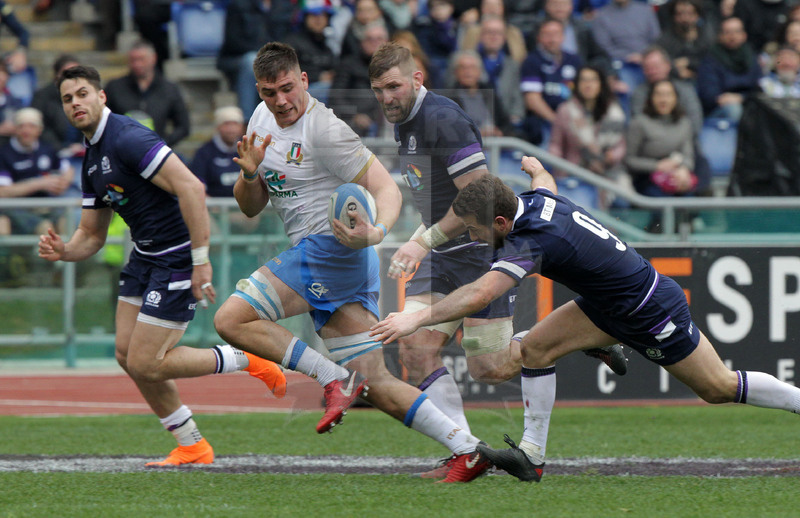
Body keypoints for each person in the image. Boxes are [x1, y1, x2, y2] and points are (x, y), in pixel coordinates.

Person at [371, 160, 800, 483]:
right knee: (536, 348)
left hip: (649, 308)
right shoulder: (536, 201)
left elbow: (481, 293)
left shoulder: (529, 241)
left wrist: (416, 319)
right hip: (605, 303)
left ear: (501, 221)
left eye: (474, 229)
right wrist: (537, 167)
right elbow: (545, 184)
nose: (472, 236)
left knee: (717, 388)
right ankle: (531, 457)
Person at [211, 42, 492, 483]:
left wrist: (376, 232)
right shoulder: (261, 120)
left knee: (231, 318)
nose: (281, 101)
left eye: (288, 88)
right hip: (335, 262)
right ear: (259, 91)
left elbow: (388, 189)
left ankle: (331, 378)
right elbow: (250, 207)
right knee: (376, 382)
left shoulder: (325, 130)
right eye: (269, 92)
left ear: (303, 80)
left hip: (330, 250)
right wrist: (250, 174)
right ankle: (469, 449)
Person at [367, 42, 626, 479]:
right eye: (377, 90)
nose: (386, 97)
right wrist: (422, 239)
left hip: (476, 252)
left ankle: (577, 336)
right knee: (416, 348)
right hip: (441, 253)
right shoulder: (405, 121)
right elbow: (436, 198)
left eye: (393, 86)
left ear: (417, 79)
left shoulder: (443, 120)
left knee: (490, 367)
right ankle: (466, 453)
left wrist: (420, 241)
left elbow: (479, 199)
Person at [38, 65, 287, 467]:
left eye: (83, 93)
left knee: (146, 362)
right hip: (145, 258)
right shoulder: (92, 158)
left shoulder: (128, 137)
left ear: (101, 97)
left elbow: (192, 186)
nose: (75, 103)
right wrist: (63, 250)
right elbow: (92, 235)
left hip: (176, 257)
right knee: (126, 354)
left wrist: (200, 261)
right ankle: (192, 444)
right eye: (68, 98)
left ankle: (247, 359)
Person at [548, 65, 627, 209]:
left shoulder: (614, 111)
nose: (588, 85)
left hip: (608, 171)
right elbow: (556, 144)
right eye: (583, 80)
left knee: (623, 202)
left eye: (593, 80)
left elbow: (620, 144)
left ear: (601, 84)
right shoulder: (565, 110)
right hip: (575, 172)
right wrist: (559, 169)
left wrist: (613, 155)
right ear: (577, 84)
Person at [625, 79, 696, 233]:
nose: (664, 99)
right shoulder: (639, 123)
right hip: (647, 179)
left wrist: (683, 169)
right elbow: (629, 160)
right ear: (651, 98)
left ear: (676, 98)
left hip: (675, 176)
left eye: (668, 95)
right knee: (662, 205)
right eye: (659, 95)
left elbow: (688, 156)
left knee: (690, 201)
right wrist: (657, 166)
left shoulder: (684, 123)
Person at [104, 41, 191, 148]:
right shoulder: (114, 87)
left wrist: (162, 144)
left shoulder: (169, 89)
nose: (137, 64)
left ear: (153, 58)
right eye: (133, 60)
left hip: (156, 154)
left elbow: (183, 127)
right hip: (120, 150)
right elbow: (102, 120)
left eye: (141, 59)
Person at [0, 108, 73, 236]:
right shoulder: (4, 153)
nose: (26, 131)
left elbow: (68, 170)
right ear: (15, 129)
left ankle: (70, 255)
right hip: (16, 207)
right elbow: (3, 191)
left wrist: (62, 183)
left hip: (46, 205)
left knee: (67, 222)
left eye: (31, 126)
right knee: (45, 229)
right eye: (21, 126)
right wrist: (40, 183)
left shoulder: (47, 149)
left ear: (40, 129)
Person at [520, 19, 583, 146]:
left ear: (563, 36)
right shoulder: (531, 61)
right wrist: (558, 122)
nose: (552, 39)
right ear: (539, 37)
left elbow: (583, 93)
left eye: (556, 34)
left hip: (573, 118)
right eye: (547, 34)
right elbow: (532, 100)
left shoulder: (574, 60)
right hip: (545, 121)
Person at [695, 16, 762, 121]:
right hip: (720, 109)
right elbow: (709, 94)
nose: (732, 36)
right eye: (727, 32)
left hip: (749, 102)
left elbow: (759, 87)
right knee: (734, 109)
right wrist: (730, 99)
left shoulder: (752, 57)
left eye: (736, 31)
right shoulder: (711, 59)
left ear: (744, 35)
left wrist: (741, 98)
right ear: (720, 36)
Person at [31, 54, 83, 155]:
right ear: (57, 75)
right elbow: (40, 127)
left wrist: (81, 145)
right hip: (51, 152)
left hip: (81, 151)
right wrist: (63, 148)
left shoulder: (85, 96)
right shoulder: (42, 96)